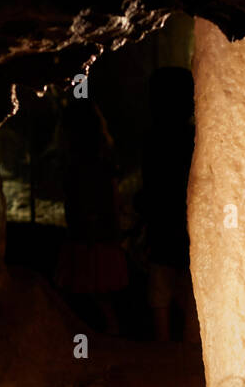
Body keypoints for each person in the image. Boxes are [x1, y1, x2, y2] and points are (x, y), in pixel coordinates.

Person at [55, 98, 128, 335]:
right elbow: (113, 197)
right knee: (100, 297)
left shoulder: (78, 164)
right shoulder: (102, 159)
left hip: (88, 237)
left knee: (88, 294)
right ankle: (108, 339)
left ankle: (100, 341)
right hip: (99, 235)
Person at [139, 67, 198, 342]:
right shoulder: (195, 138)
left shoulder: (152, 138)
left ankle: (162, 347)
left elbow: (150, 187)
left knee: (160, 290)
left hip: (162, 226)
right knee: (191, 286)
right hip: (190, 227)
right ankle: (189, 346)